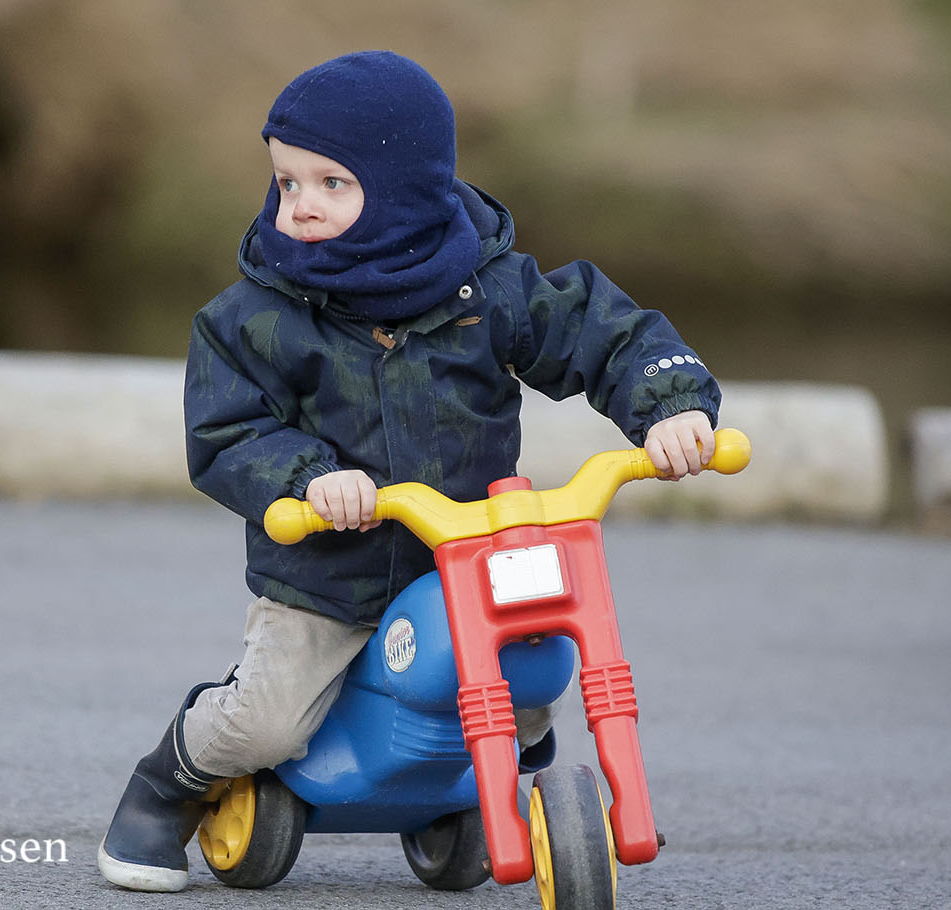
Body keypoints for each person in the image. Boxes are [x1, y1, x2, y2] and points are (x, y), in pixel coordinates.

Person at [98, 50, 720, 892]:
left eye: (332, 183)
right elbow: (226, 430)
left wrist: (669, 405)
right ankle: (166, 785)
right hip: (324, 575)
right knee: (267, 724)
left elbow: (603, 333)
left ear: (403, 192)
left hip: (461, 560)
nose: (300, 204)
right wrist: (306, 478)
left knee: (535, 654)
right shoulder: (256, 317)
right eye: (287, 182)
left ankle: (492, 766)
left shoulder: (489, 292)